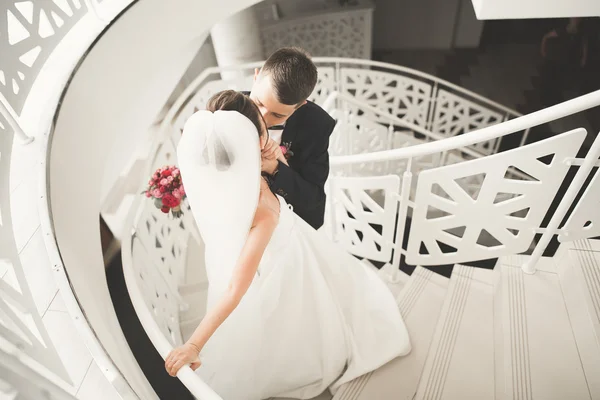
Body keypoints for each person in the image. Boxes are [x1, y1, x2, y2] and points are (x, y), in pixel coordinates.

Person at [165, 91, 410, 400]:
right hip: (286, 260)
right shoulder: (262, 206)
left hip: (278, 251)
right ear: (254, 140)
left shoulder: (217, 184)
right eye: (262, 124)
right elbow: (234, 291)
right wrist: (194, 345)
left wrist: (273, 163)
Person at [247, 47, 336, 230]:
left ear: (300, 106)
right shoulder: (228, 107)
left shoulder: (316, 125)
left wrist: (275, 168)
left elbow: (313, 201)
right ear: (256, 78)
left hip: (285, 222)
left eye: (278, 115)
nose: (263, 118)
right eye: (259, 103)